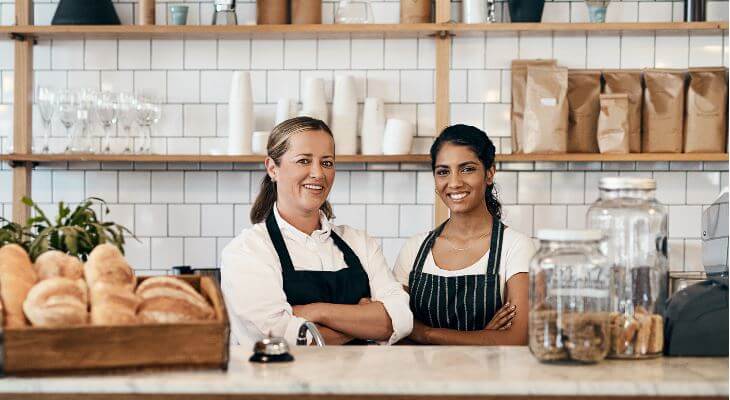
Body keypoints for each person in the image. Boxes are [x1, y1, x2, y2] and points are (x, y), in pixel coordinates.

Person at [221, 117, 412, 347]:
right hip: (282, 382)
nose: (318, 174)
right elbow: (282, 339)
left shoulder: (360, 243)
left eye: (327, 162)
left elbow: (398, 320)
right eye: (303, 161)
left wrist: (317, 312)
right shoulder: (247, 251)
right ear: (272, 168)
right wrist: (361, 324)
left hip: (361, 382)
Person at [393, 124, 535, 345]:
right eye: (443, 172)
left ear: (489, 173)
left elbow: (516, 338)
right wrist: (483, 337)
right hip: (420, 379)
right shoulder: (415, 248)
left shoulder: (516, 247)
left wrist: (425, 333)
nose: (455, 182)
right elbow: (394, 323)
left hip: (489, 378)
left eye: (467, 169)